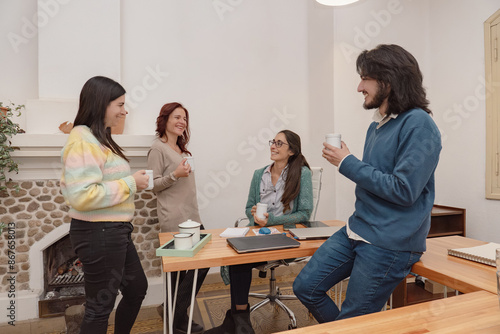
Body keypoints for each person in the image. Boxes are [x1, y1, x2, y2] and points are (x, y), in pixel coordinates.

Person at [293, 44, 442, 322]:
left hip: (388, 242)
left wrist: (347, 161)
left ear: (388, 80)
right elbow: (375, 178)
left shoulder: (419, 124)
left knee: (354, 322)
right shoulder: (377, 126)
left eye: (365, 78)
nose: (359, 87)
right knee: (305, 287)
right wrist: (348, 161)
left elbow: (403, 190)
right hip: (357, 228)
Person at [60, 76, 149, 333]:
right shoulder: (82, 139)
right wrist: (131, 183)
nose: (125, 110)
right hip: (99, 232)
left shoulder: (98, 138)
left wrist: (131, 182)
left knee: (136, 288)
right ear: (102, 103)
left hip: (113, 231)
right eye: (120, 104)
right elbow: (82, 195)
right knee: (100, 308)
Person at [206, 130, 313, 334]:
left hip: (286, 237)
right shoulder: (259, 174)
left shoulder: (302, 174)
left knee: (242, 259)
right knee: (236, 257)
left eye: (279, 143)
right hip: (260, 234)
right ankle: (240, 321)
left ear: (291, 150)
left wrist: (273, 220)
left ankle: (239, 324)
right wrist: (254, 215)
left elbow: (304, 214)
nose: (273, 146)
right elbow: (248, 208)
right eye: (273, 142)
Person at [147, 102, 209, 334]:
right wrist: (175, 174)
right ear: (165, 120)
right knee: (178, 272)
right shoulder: (158, 149)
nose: (182, 121)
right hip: (174, 219)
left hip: (192, 217)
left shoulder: (182, 150)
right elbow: (152, 186)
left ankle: (173, 311)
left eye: (184, 118)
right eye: (177, 117)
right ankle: (177, 317)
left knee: (199, 265)